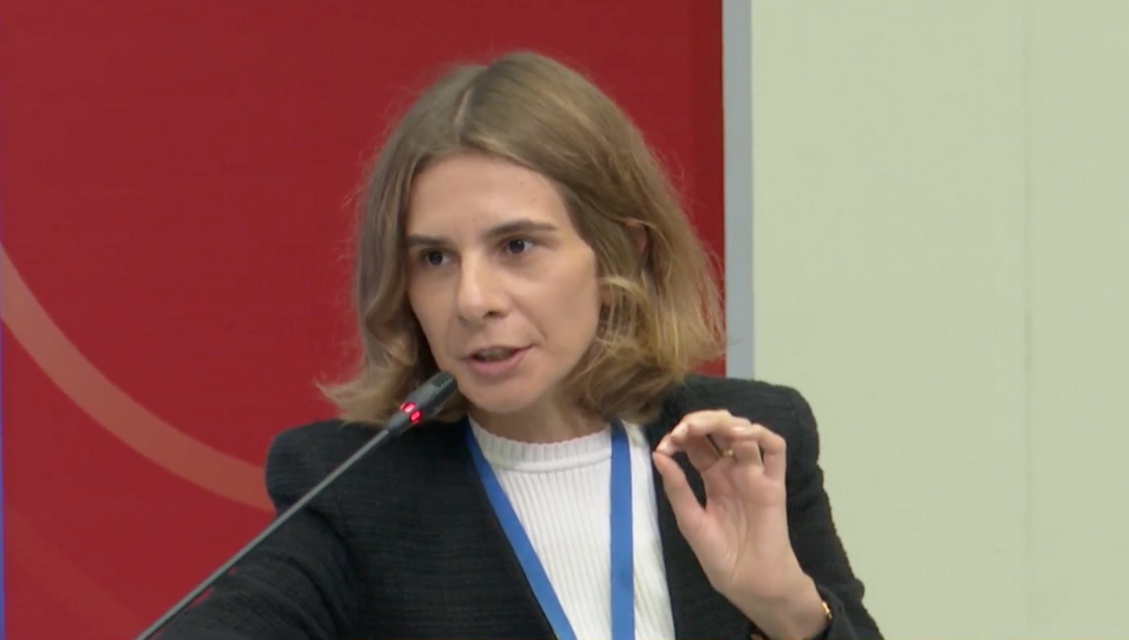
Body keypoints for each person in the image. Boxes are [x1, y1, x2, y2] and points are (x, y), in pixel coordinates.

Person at [153, 51, 882, 640]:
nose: (473, 300)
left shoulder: (740, 448)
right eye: (435, 258)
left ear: (619, 255)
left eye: (517, 246)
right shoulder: (355, 487)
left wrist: (787, 610)